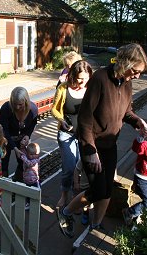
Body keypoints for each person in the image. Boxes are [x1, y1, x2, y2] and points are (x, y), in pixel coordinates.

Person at [56, 43, 147, 238]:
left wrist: (137, 121)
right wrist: (90, 152)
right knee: (98, 190)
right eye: (136, 70)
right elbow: (84, 118)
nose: (138, 76)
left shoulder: (127, 82)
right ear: (125, 63)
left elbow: (126, 111)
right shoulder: (100, 78)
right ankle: (65, 212)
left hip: (110, 144)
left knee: (107, 190)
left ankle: (95, 224)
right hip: (93, 145)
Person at [51, 60, 93, 208]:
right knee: (69, 167)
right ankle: (64, 195)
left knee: (82, 167)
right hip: (66, 134)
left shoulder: (90, 89)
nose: (83, 82)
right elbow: (54, 109)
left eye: (86, 79)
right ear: (73, 76)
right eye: (80, 79)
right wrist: (61, 120)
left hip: (84, 134)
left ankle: (79, 195)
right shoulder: (63, 88)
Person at [0, 87, 38, 181]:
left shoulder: (33, 110)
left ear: (26, 101)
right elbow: (4, 131)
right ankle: (3, 186)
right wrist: (15, 148)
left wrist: (27, 136)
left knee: (23, 162)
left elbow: (32, 125)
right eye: (14, 104)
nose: (17, 107)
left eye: (20, 104)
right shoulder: (6, 108)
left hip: (21, 140)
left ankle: (18, 181)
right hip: (6, 139)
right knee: (3, 163)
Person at [73, 159, 92, 225]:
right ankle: (86, 214)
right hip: (85, 185)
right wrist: (76, 183)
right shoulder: (84, 158)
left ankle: (97, 217)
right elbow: (77, 170)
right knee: (85, 203)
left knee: (98, 202)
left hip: (97, 185)